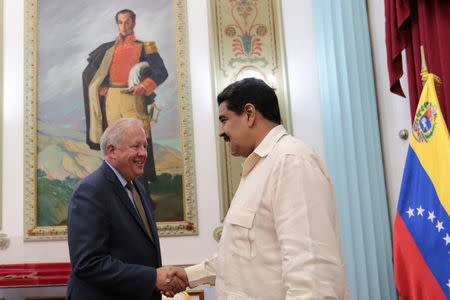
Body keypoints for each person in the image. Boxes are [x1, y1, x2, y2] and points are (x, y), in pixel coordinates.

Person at [175, 78, 350, 299]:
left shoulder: (291, 160)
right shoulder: (258, 168)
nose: (221, 131)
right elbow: (240, 258)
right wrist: (186, 276)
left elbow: (312, 272)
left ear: (249, 114)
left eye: (224, 120)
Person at [67, 118, 187, 300]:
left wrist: (158, 283)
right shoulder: (91, 190)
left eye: (145, 146)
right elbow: (88, 263)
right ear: (112, 151)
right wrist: (153, 278)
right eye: (136, 146)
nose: (143, 153)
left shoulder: (138, 188)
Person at [82, 8, 168, 188]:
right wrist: (101, 87)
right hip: (112, 98)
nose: (123, 26)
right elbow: (90, 72)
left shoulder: (145, 47)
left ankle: (140, 183)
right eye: (120, 22)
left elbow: (161, 72)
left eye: (127, 22)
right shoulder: (108, 49)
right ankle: (114, 183)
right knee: (114, 140)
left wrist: (143, 87)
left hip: (133, 98)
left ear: (134, 23)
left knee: (136, 140)